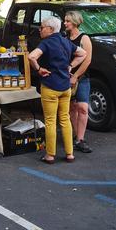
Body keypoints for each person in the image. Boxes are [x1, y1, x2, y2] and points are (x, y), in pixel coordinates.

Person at [28, 16, 87, 164]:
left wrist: (39, 69)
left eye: (42, 28)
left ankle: (50, 155)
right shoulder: (66, 41)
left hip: (50, 87)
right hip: (65, 87)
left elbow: (31, 56)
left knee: (50, 121)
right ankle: (70, 154)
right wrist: (70, 66)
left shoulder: (46, 43)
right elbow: (83, 54)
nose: (40, 30)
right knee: (65, 119)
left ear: (50, 29)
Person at [64, 11, 93, 153]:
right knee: (71, 108)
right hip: (66, 76)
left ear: (75, 22)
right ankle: (76, 136)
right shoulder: (64, 37)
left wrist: (75, 76)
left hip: (82, 77)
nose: (65, 23)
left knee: (82, 107)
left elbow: (87, 60)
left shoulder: (84, 38)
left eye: (67, 21)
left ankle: (81, 139)